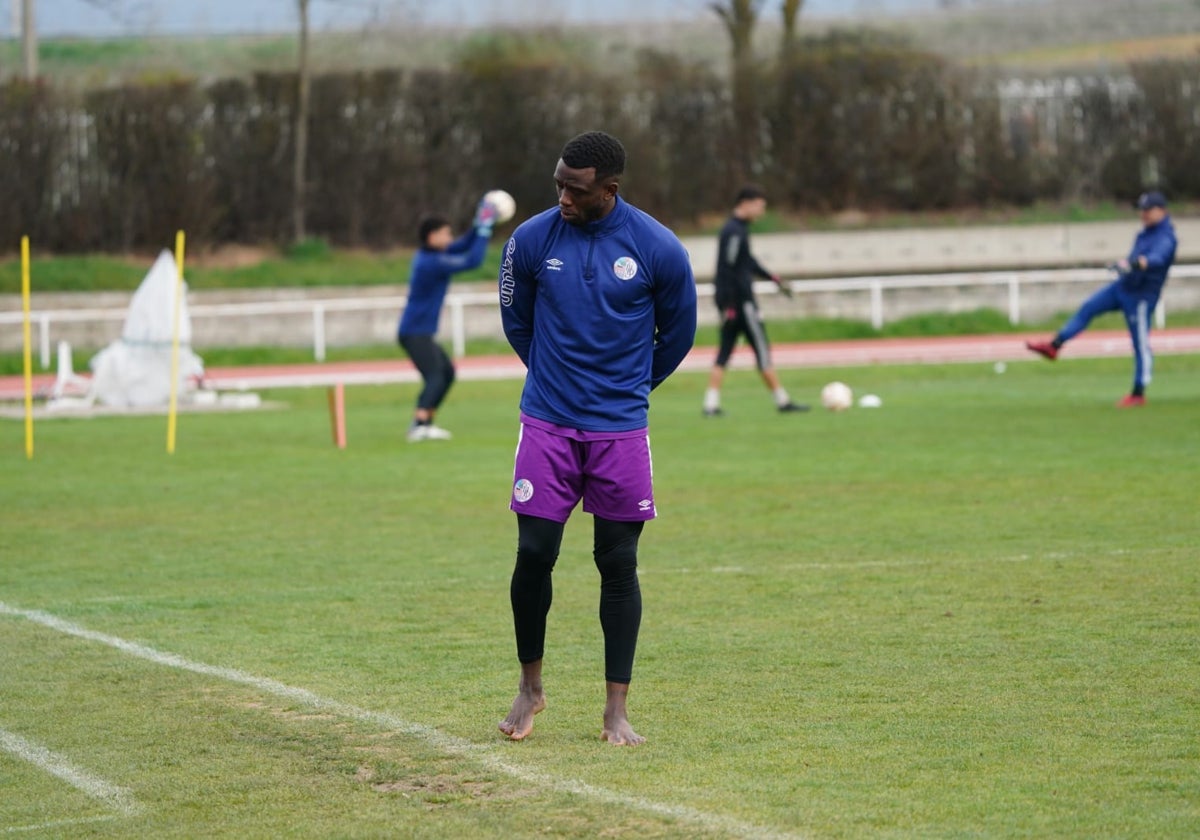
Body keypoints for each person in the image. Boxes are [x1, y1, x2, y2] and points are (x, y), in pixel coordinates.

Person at [497, 131, 697, 745]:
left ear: (608, 191)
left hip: (620, 432)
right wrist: (557, 381)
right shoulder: (530, 240)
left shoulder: (658, 248)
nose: (562, 195)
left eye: (575, 189)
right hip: (548, 423)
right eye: (558, 182)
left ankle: (616, 709)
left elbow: (679, 335)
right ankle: (531, 688)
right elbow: (516, 319)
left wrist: (626, 389)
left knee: (618, 562)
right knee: (534, 554)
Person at [1025, 190, 1178, 407]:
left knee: (1140, 343)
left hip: (1141, 297)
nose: (1143, 214)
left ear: (1161, 210)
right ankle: (1055, 345)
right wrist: (1124, 265)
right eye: (1141, 210)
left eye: (1147, 210)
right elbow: (1134, 259)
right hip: (1123, 288)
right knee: (1088, 308)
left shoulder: (1166, 237)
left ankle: (1138, 392)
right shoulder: (1144, 233)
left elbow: (1156, 258)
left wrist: (1133, 264)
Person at [702, 185, 807, 417]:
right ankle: (782, 401)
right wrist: (728, 304)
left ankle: (710, 404)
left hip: (732, 304)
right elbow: (727, 268)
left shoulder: (738, 230)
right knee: (761, 348)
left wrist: (773, 278)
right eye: (760, 206)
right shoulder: (734, 231)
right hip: (741, 304)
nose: (761, 212)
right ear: (746, 203)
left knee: (725, 351)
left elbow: (747, 262)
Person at [397, 199, 498, 441]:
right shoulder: (431, 263)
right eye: (445, 233)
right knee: (435, 376)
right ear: (432, 237)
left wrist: (478, 223)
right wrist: (484, 230)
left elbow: (463, 245)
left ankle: (426, 423)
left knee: (447, 373)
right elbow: (472, 260)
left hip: (420, 331)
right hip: (414, 332)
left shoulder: (432, 255)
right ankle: (419, 424)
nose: (450, 238)